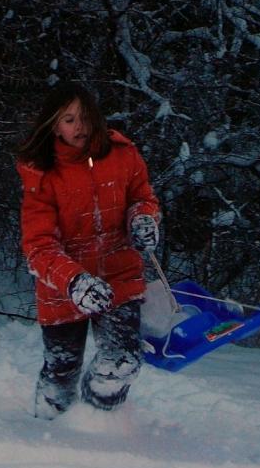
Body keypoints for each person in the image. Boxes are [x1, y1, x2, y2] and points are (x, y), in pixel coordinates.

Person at [17, 82, 160, 419]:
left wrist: (143, 219)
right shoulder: (42, 173)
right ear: (53, 124)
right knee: (61, 371)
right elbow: (37, 245)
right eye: (68, 119)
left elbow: (142, 197)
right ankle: (49, 432)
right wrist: (75, 281)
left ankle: (98, 430)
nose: (78, 127)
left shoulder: (123, 154)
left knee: (121, 361)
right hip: (63, 286)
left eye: (83, 117)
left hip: (119, 273)